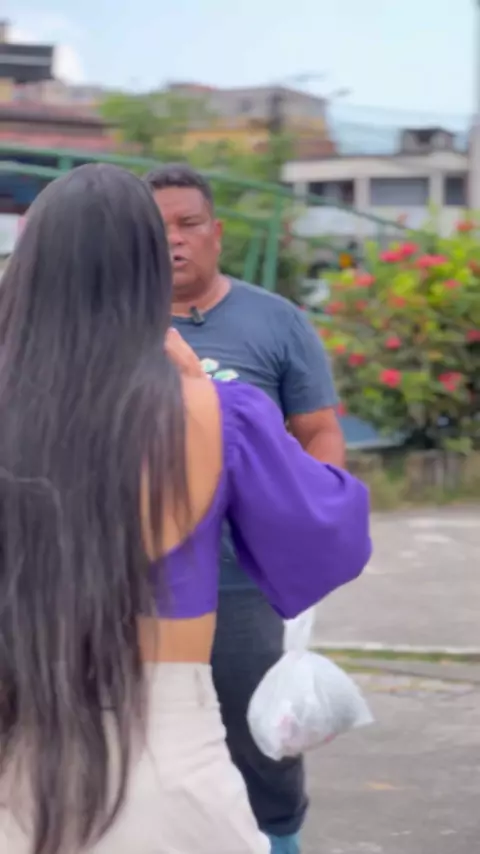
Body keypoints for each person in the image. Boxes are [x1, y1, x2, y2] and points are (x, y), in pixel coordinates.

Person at [0, 163, 371, 854]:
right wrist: (202, 385)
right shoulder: (220, 413)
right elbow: (333, 538)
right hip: (169, 763)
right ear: (146, 268)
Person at [146, 163, 346, 854]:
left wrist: (312, 526)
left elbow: (317, 431)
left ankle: (279, 840)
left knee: (262, 733)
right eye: (157, 229)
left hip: (244, 574)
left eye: (189, 224)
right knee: (142, 736)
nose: (175, 240)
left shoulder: (273, 320)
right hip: (134, 575)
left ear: (218, 232)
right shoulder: (110, 323)